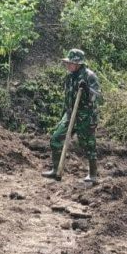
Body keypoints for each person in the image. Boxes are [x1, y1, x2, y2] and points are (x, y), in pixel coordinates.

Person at [44, 49, 102, 183]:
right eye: (67, 63)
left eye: (71, 63)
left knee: (88, 144)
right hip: (70, 114)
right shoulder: (69, 77)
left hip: (86, 115)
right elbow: (67, 98)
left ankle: (93, 175)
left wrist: (87, 89)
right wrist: (64, 114)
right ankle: (56, 169)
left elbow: (99, 97)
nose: (68, 65)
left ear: (79, 64)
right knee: (56, 138)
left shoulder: (89, 76)